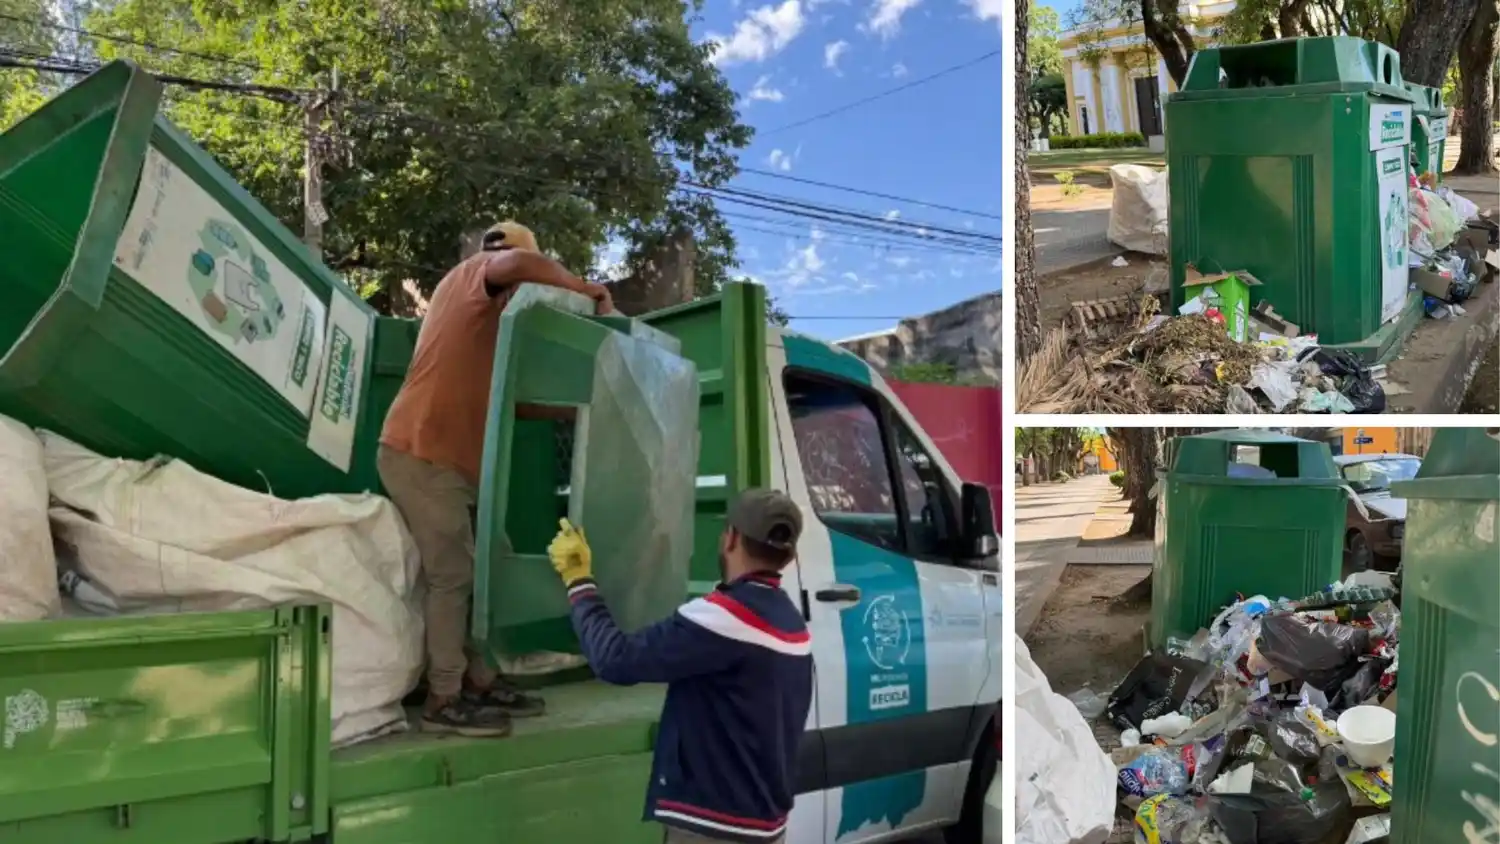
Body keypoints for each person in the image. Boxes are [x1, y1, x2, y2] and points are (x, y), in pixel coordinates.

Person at [379, 221, 615, 737]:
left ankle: (480, 681)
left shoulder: (487, 325)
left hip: (453, 466)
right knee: (454, 575)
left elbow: (504, 401)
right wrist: (585, 290)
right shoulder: (475, 275)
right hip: (420, 454)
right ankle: (444, 697)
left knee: (493, 566)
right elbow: (524, 264)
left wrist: (573, 414)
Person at [547, 489, 813, 844]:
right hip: (763, 826)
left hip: (715, 829)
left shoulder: (725, 618)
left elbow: (614, 659)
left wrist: (578, 580)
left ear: (731, 537)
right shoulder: (791, 622)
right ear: (790, 556)